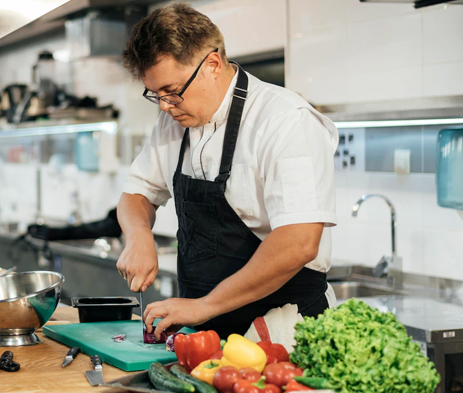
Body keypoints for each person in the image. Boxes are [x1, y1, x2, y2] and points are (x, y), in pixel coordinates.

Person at [116, 3, 338, 340]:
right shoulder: (172, 123)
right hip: (206, 331)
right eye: (155, 94)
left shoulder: (285, 120)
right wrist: (138, 235)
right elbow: (136, 193)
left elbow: (299, 243)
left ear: (213, 65)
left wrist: (204, 305)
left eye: (172, 91)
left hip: (283, 329)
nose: (164, 106)